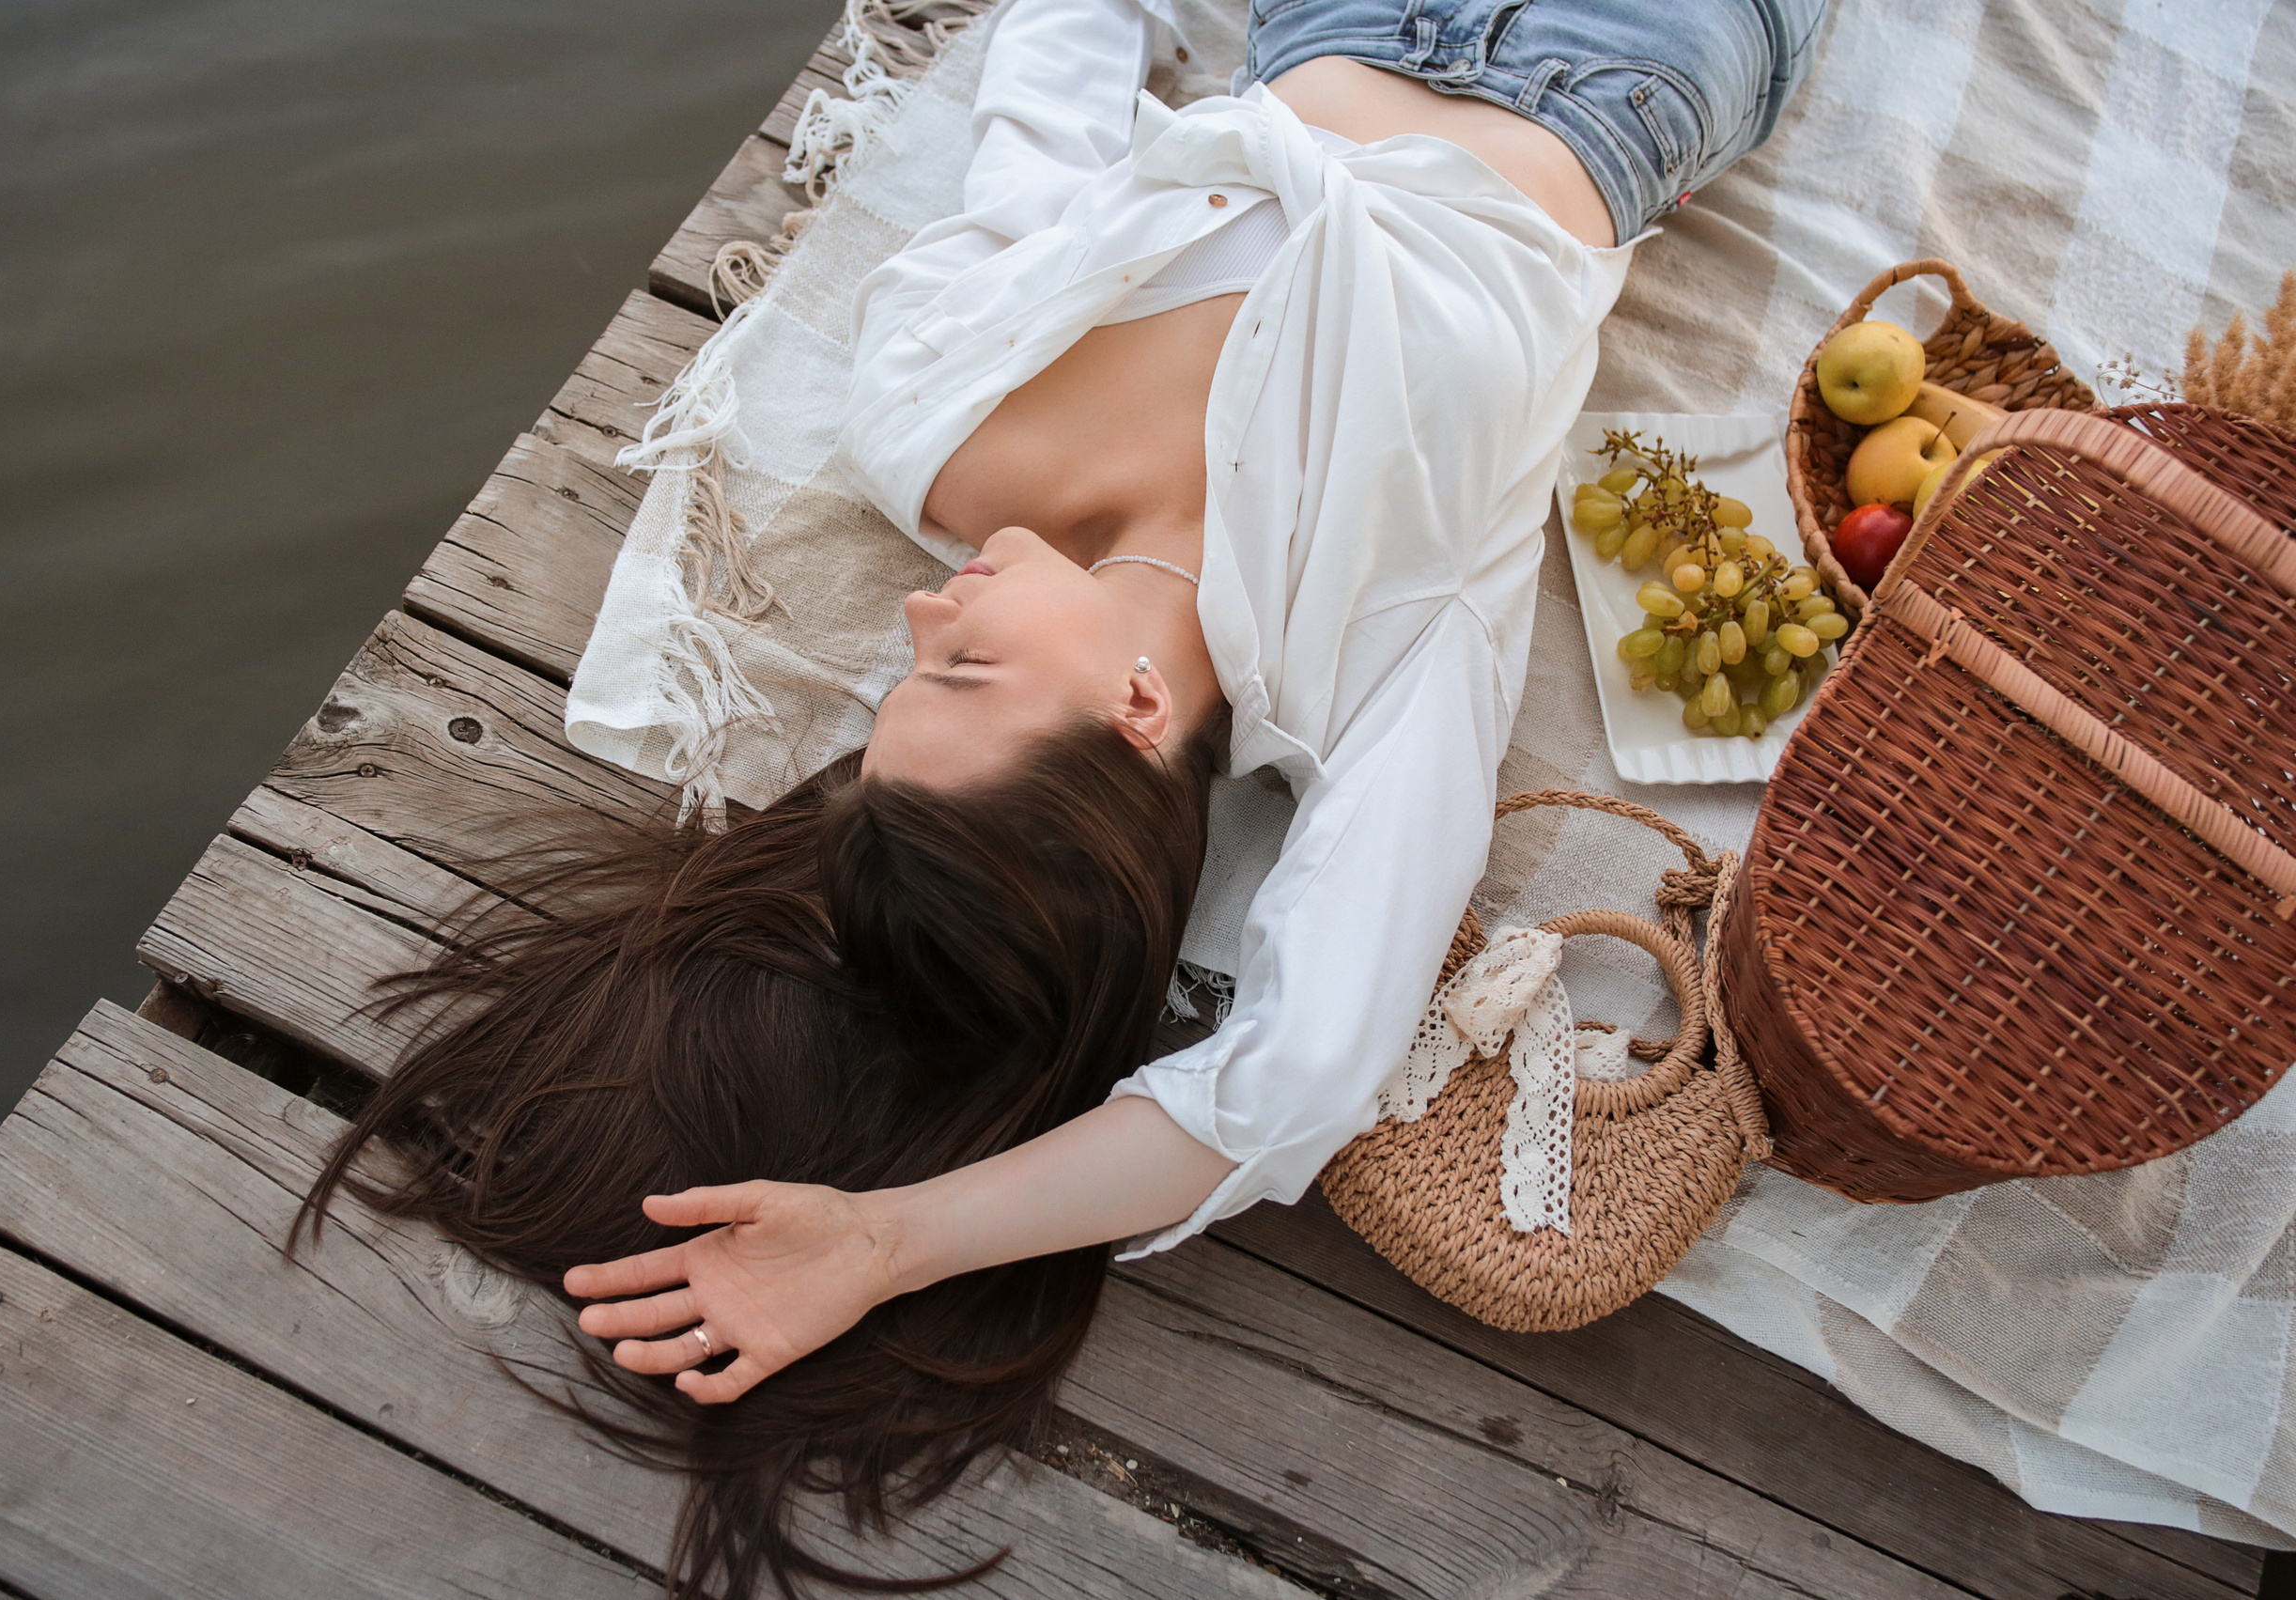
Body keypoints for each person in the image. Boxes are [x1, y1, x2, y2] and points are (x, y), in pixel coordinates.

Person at [302, 0, 1822, 1592]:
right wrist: (889, 1241)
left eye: (907, 676)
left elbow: (1039, 125)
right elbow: (1296, 1071)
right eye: (961, 674)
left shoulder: (933, 433)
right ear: (1137, 708)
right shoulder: (1386, 654)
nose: (923, 614)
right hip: (1624, 60)